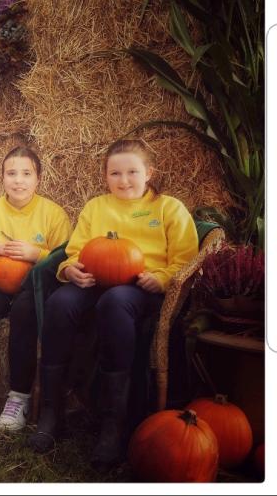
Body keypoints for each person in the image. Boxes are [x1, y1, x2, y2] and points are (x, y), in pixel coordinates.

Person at [27, 138, 198, 469]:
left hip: (141, 286)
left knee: (115, 302)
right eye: (115, 173)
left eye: (132, 172)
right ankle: (52, 410)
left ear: (149, 173)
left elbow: (186, 260)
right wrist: (69, 269)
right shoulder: (96, 207)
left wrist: (161, 278)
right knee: (61, 303)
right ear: (105, 176)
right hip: (96, 277)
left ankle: (114, 422)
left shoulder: (168, 208)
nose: (123, 180)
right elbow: (76, 250)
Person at [0, 146, 71, 433]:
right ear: (2, 178)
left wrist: (37, 254)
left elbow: (66, 257)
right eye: (11, 173)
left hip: (34, 281)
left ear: (39, 179)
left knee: (25, 312)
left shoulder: (53, 214)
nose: (18, 180)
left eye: (26, 174)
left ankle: (18, 397)